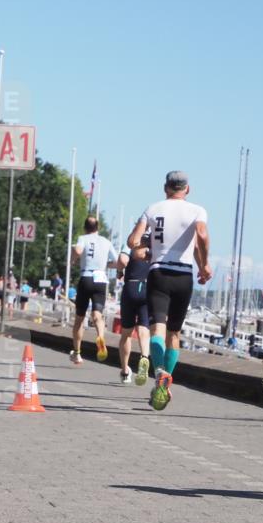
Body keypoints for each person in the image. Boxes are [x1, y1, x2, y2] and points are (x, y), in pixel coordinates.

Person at [126, 170, 212, 410]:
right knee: (174, 334)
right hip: (183, 275)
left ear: (165, 188)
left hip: (159, 273)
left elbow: (133, 242)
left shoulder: (153, 209)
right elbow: (201, 237)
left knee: (157, 330)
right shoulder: (197, 210)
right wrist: (204, 265)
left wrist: (147, 246)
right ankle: (165, 383)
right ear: (188, 189)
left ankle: (159, 373)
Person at [69, 216, 119, 364]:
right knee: (97, 315)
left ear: (85, 228)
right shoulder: (106, 242)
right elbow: (117, 262)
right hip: (100, 279)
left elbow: (78, 250)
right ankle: (101, 337)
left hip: (86, 277)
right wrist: (105, 265)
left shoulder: (83, 238)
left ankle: (77, 353)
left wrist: (73, 259)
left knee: (79, 318)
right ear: (98, 228)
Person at [116, 236, 152, 385]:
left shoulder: (133, 242)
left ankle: (125, 371)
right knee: (143, 330)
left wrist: (119, 271)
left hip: (131, 286)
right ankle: (144, 357)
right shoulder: (154, 243)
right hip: (147, 288)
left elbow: (122, 260)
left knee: (126, 333)